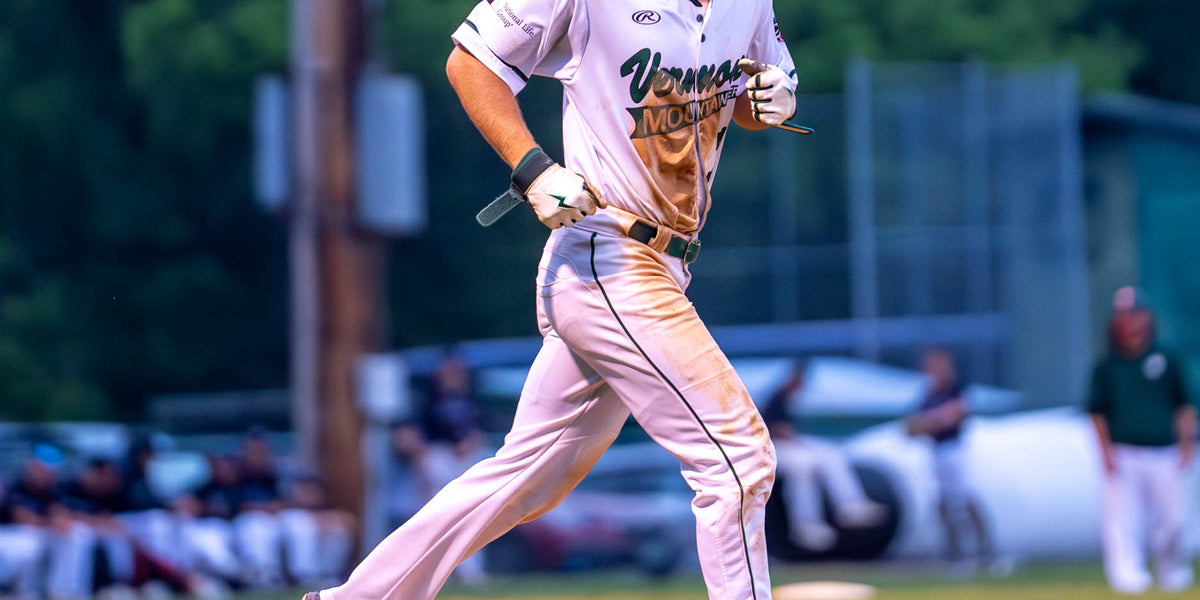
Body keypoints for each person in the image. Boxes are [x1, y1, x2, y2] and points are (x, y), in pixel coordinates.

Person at [311, 0, 799, 598]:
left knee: (529, 477)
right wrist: (535, 170)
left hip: (667, 261)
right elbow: (471, 61)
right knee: (738, 461)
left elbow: (760, 86)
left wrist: (767, 103)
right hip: (610, 256)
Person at [1087, 286, 1196, 594]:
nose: (1130, 322)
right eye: (1123, 315)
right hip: (1124, 451)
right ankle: (1127, 574)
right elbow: (1097, 412)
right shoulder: (1107, 366)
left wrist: (1187, 444)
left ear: (1147, 317)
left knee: (1174, 518)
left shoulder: (1166, 357)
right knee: (1123, 520)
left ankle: (1172, 570)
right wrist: (1104, 451)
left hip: (1165, 451)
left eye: (1135, 314)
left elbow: (1184, 404)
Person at [762, 366, 887, 551]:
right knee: (804, 464)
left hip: (788, 445)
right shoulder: (774, 399)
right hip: (768, 451)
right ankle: (806, 525)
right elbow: (772, 432)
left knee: (830, 454)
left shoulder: (786, 399)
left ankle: (850, 506)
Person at [906, 348, 1000, 574]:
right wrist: (932, 422)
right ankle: (955, 554)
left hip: (956, 451)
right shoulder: (928, 394)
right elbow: (910, 428)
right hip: (937, 453)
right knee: (943, 504)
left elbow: (954, 416)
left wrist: (930, 422)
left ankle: (986, 552)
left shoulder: (955, 389)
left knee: (965, 499)